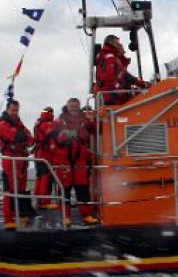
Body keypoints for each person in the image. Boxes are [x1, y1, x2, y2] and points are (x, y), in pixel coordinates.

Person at [52, 97, 97, 225]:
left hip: (80, 160)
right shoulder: (59, 121)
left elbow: (94, 131)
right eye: (71, 106)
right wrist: (64, 135)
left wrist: (92, 121)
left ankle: (86, 214)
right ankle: (65, 216)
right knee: (64, 188)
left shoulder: (84, 119)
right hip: (64, 160)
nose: (74, 108)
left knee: (82, 188)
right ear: (67, 106)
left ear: (79, 106)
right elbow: (52, 137)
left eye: (76, 106)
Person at [0, 100, 35, 229]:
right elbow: (17, 136)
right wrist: (24, 138)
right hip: (10, 159)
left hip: (21, 159)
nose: (15, 112)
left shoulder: (18, 123)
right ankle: (8, 219)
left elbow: (30, 137)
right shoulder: (3, 124)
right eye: (13, 110)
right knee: (10, 190)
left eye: (16, 110)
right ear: (8, 110)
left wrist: (24, 138)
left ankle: (21, 214)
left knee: (21, 188)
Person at [94, 34, 147, 106]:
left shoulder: (111, 58)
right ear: (112, 43)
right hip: (113, 98)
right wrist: (121, 90)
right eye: (117, 42)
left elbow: (127, 77)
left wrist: (143, 84)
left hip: (113, 96)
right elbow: (109, 78)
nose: (120, 44)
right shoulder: (110, 57)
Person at [32, 106, 59, 209]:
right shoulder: (47, 124)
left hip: (39, 154)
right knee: (45, 178)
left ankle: (39, 200)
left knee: (39, 177)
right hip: (45, 155)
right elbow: (53, 136)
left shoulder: (38, 123)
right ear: (50, 113)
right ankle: (44, 202)